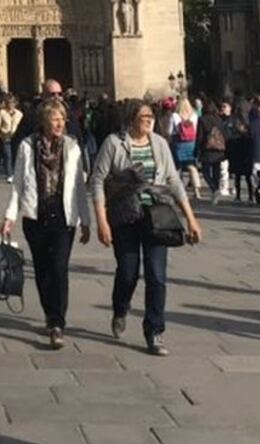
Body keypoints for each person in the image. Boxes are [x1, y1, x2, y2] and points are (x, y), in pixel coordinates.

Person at [91, 101, 203, 356]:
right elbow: (97, 180)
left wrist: (190, 218)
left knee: (157, 275)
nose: (149, 120)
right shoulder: (113, 143)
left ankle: (154, 331)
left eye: (151, 116)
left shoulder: (160, 143)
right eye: (143, 116)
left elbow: (173, 180)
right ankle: (120, 309)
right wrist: (101, 220)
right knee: (128, 272)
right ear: (131, 119)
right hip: (124, 217)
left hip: (157, 215)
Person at [0, 101, 92, 349]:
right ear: (44, 121)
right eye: (55, 119)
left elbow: (80, 187)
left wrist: (86, 220)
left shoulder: (72, 147)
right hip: (36, 214)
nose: (61, 123)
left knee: (59, 266)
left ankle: (58, 321)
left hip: (64, 214)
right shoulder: (27, 147)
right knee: (42, 268)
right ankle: (50, 313)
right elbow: (18, 183)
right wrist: (10, 216)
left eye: (63, 118)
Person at [170, 98, 203, 200]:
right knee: (192, 167)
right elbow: (197, 129)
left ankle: (179, 190)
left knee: (177, 168)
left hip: (179, 143)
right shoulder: (194, 116)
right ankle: (197, 190)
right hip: (191, 143)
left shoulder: (175, 116)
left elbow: (170, 131)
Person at [196, 101, 227, 204]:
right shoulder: (219, 119)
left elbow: (200, 136)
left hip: (207, 148)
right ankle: (215, 191)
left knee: (205, 172)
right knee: (216, 171)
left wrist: (198, 148)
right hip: (219, 149)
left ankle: (214, 189)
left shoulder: (202, 119)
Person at [0, 96, 23, 184]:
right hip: (5, 135)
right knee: (7, 155)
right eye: (8, 103)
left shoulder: (19, 114)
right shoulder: (2, 112)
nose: (10, 105)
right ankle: (9, 175)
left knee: (15, 155)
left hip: (16, 136)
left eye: (12, 103)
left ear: (15, 104)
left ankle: (15, 173)